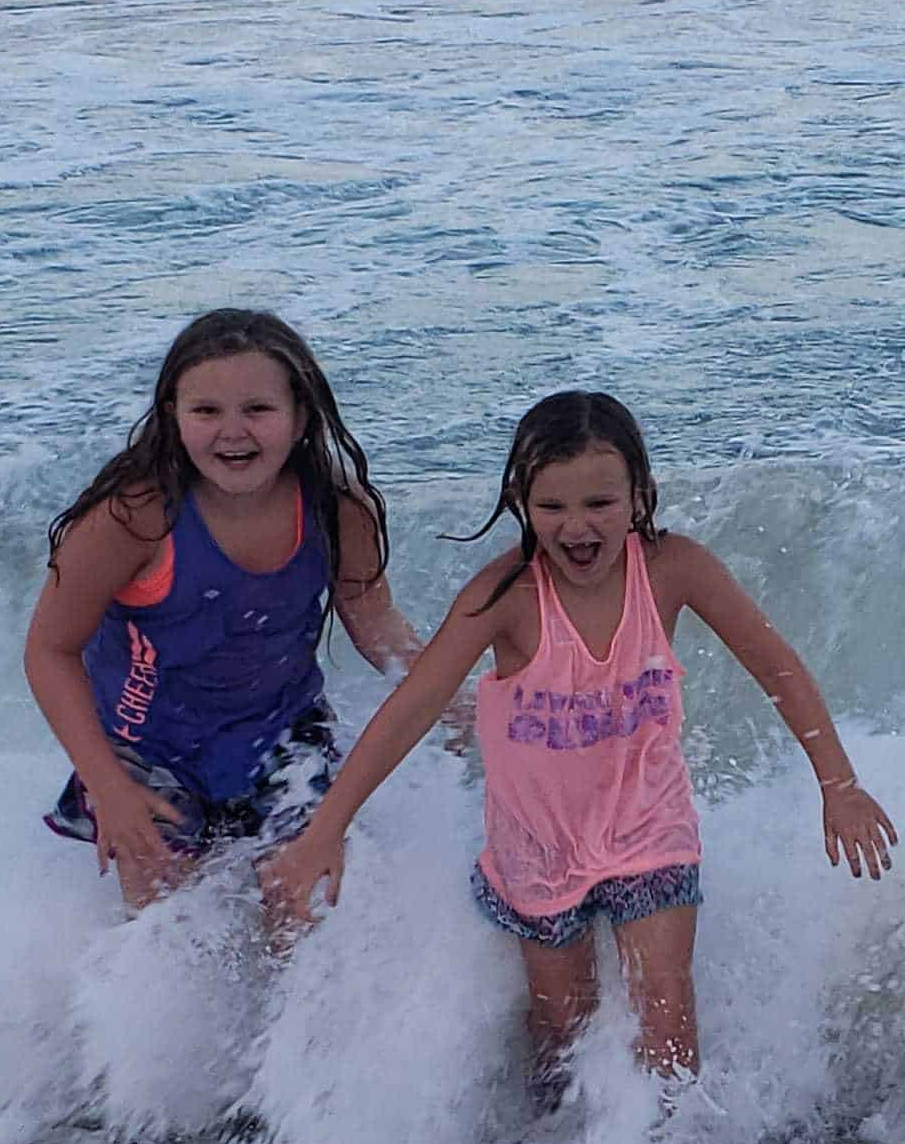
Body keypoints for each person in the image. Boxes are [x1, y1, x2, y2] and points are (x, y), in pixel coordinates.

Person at [262, 390, 897, 1089]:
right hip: (537, 848)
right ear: (520, 501)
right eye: (552, 506)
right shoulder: (504, 596)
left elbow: (775, 664)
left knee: (667, 1017)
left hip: (649, 828)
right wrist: (326, 828)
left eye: (600, 503)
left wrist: (839, 783)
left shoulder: (672, 569)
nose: (576, 526)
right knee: (561, 1032)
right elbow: (412, 708)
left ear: (639, 495)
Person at [25, 309, 423, 910]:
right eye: (206, 411)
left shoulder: (336, 507)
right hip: (145, 750)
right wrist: (106, 786)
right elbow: (50, 651)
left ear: (300, 417)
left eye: (258, 409)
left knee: (304, 903)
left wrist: (450, 696)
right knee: (167, 923)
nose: (232, 432)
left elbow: (372, 617)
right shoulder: (133, 518)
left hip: (284, 731)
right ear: (172, 416)